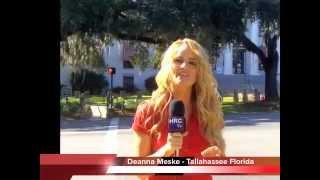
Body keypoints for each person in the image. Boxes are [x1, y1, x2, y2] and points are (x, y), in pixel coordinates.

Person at [131, 38, 226, 180]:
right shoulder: (148, 111)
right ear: (168, 66)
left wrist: (218, 158)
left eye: (192, 63)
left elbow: (219, 162)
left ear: (199, 71)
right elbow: (138, 172)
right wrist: (165, 150)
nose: (184, 66)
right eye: (178, 60)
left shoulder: (208, 111)